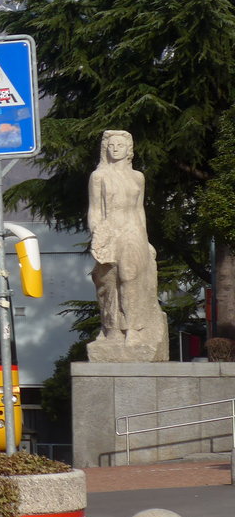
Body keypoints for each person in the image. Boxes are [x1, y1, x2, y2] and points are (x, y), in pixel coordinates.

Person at [87, 130, 168, 359]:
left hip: (133, 231)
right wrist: (98, 234)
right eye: (111, 145)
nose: (115, 149)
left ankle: (132, 329)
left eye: (120, 145)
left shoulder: (137, 177)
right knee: (109, 281)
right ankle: (112, 328)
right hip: (109, 230)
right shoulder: (98, 176)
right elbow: (93, 210)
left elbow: (139, 210)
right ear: (106, 149)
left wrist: (146, 239)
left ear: (128, 149)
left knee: (130, 277)